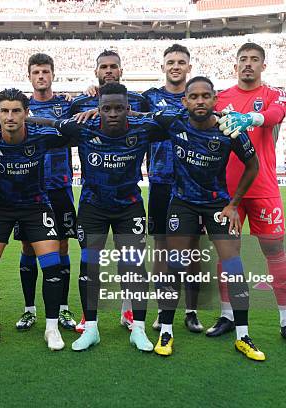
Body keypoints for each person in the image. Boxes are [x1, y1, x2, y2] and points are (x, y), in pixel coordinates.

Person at [28, 82, 158, 352]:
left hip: (129, 207)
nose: (112, 113)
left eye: (119, 108)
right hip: (92, 208)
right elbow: (46, 121)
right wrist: (14, 118)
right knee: (89, 268)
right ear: (97, 109)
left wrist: (139, 116)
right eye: (106, 108)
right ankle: (91, 329)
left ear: (128, 109)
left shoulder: (144, 130)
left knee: (134, 268)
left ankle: (139, 329)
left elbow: (178, 120)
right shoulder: (82, 128)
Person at [142, 76, 265, 361]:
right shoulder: (174, 123)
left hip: (217, 205)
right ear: (184, 101)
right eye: (194, 96)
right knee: (175, 264)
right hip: (182, 203)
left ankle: (243, 335)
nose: (200, 101)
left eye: (205, 96)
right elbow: (134, 115)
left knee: (233, 265)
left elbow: (252, 165)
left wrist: (234, 204)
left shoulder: (228, 128)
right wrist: (97, 110)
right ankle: (167, 330)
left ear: (214, 99)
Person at [212, 43, 286, 347]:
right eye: (243, 60)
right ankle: (227, 315)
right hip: (228, 194)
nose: (248, 64)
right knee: (227, 256)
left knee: (275, 252)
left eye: (254, 60)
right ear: (235, 65)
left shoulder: (275, 94)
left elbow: (275, 114)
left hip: (264, 189)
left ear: (263, 66)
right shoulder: (220, 98)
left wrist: (249, 119)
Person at [0, 89, 69, 352]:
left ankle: (52, 328)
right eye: (4, 111)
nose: (10, 116)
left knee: (52, 265)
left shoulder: (42, 137)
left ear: (26, 113)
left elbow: (71, 130)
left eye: (16, 111)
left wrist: (39, 121)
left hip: (36, 206)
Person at [70, 49, 148, 331]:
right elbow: (61, 125)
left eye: (114, 66)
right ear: (96, 72)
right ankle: (88, 317)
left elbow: (160, 120)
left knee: (131, 263)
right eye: (103, 67)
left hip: (129, 200)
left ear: (121, 70)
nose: (109, 71)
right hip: (93, 201)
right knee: (90, 262)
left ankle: (129, 312)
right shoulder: (81, 102)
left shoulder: (139, 100)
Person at [12, 53, 77, 332]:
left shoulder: (67, 105)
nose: (41, 76)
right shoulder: (20, 109)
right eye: (36, 72)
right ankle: (29, 310)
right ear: (29, 76)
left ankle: (62, 310)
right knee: (28, 247)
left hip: (60, 187)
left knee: (62, 246)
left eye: (46, 71)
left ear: (53, 74)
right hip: (29, 190)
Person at [143, 44, 204, 333]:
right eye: (171, 61)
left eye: (181, 61)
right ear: (163, 66)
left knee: (191, 250)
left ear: (189, 67)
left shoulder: (198, 98)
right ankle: (162, 308)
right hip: (160, 183)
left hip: (194, 185)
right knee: (162, 249)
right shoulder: (150, 98)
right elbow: (119, 107)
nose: (176, 66)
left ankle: (191, 311)